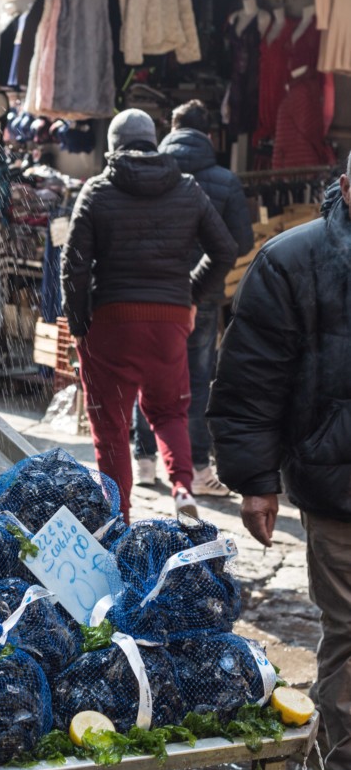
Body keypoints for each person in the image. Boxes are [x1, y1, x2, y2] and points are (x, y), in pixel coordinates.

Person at [207, 163, 351, 770]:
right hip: (337, 482)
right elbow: (250, 382)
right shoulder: (292, 260)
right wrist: (255, 482)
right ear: (347, 186)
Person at [60, 108, 237, 521]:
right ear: (153, 142)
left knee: (111, 428)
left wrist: (79, 324)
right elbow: (225, 250)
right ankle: (182, 487)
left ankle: (118, 516)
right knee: (169, 411)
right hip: (168, 321)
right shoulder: (188, 188)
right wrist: (189, 296)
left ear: (113, 146)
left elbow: (74, 265)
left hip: (111, 322)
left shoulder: (97, 190)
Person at [151, 98, 254, 494]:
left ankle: (144, 460)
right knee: (194, 382)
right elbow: (241, 241)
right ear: (210, 135)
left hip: (155, 291)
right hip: (204, 294)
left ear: (171, 130)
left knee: (150, 375)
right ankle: (195, 467)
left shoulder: (149, 174)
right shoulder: (224, 181)